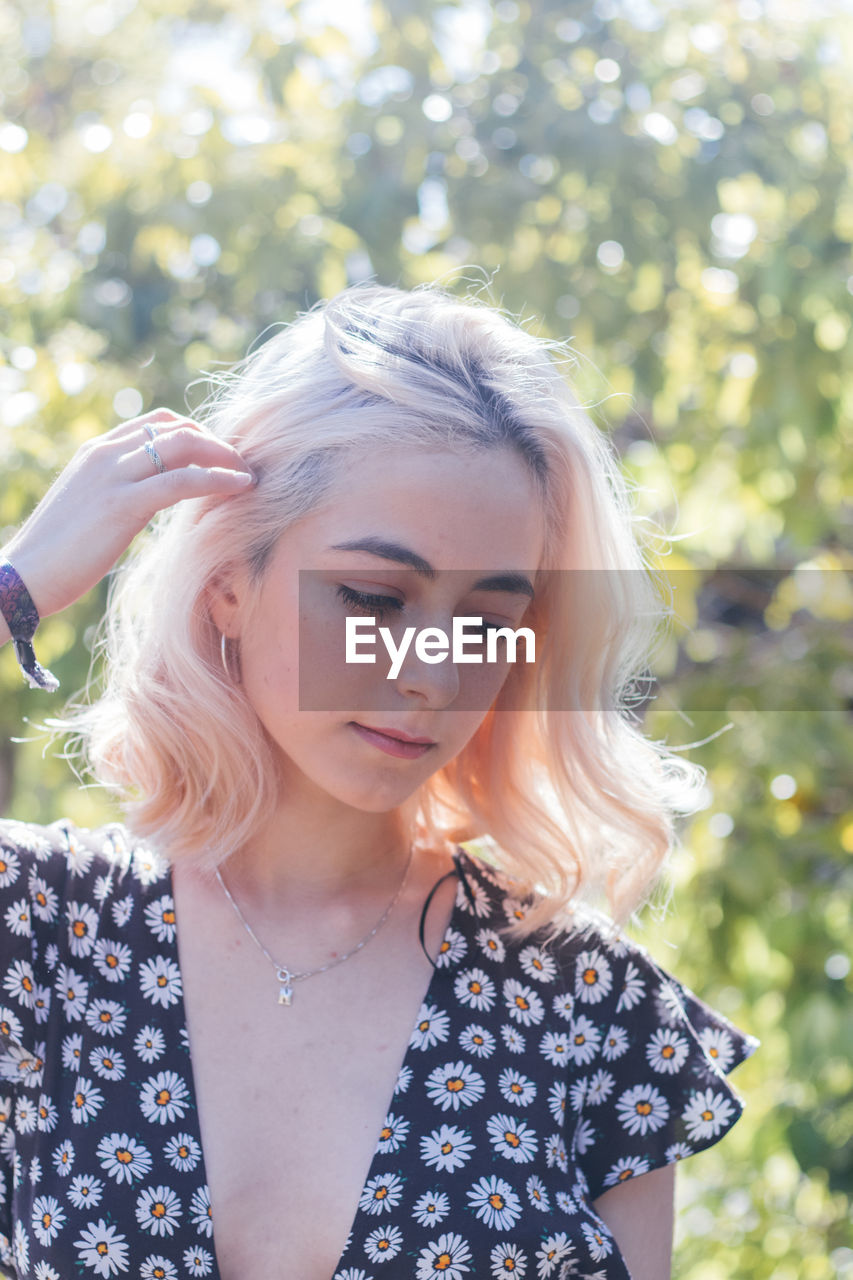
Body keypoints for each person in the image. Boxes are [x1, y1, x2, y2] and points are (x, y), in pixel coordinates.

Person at [0, 282, 758, 1280]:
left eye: (487, 618)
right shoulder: (42, 931)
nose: (432, 672)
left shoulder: (588, 1004)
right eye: (371, 595)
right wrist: (14, 588)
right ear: (230, 585)